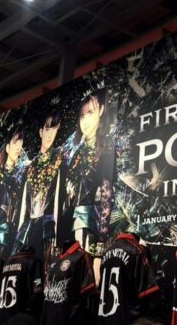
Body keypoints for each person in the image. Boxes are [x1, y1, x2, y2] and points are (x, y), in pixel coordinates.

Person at [62, 90, 115, 256]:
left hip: (91, 225)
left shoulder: (107, 147)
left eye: (90, 113)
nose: (85, 121)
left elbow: (106, 195)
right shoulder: (77, 154)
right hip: (70, 227)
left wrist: (100, 246)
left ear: (101, 110)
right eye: (82, 116)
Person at [15, 111, 64, 266]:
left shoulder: (59, 160)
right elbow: (23, 204)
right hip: (28, 228)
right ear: (41, 132)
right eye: (47, 129)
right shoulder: (30, 167)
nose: (50, 134)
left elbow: (58, 201)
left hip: (48, 227)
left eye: (54, 129)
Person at [0, 125, 27, 256]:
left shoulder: (22, 174)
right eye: (15, 142)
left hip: (15, 231)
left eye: (20, 143)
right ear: (8, 147)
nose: (18, 147)